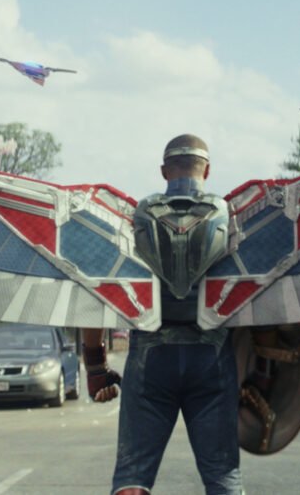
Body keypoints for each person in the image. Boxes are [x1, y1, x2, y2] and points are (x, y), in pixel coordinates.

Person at [82, 133, 244, 495]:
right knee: (223, 478)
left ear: (163, 171)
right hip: (213, 356)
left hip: (150, 355)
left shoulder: (135, 219)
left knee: (132, 476)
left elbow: (98, 289)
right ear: (208, 170)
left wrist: (94, 366)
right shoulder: (229, 217)